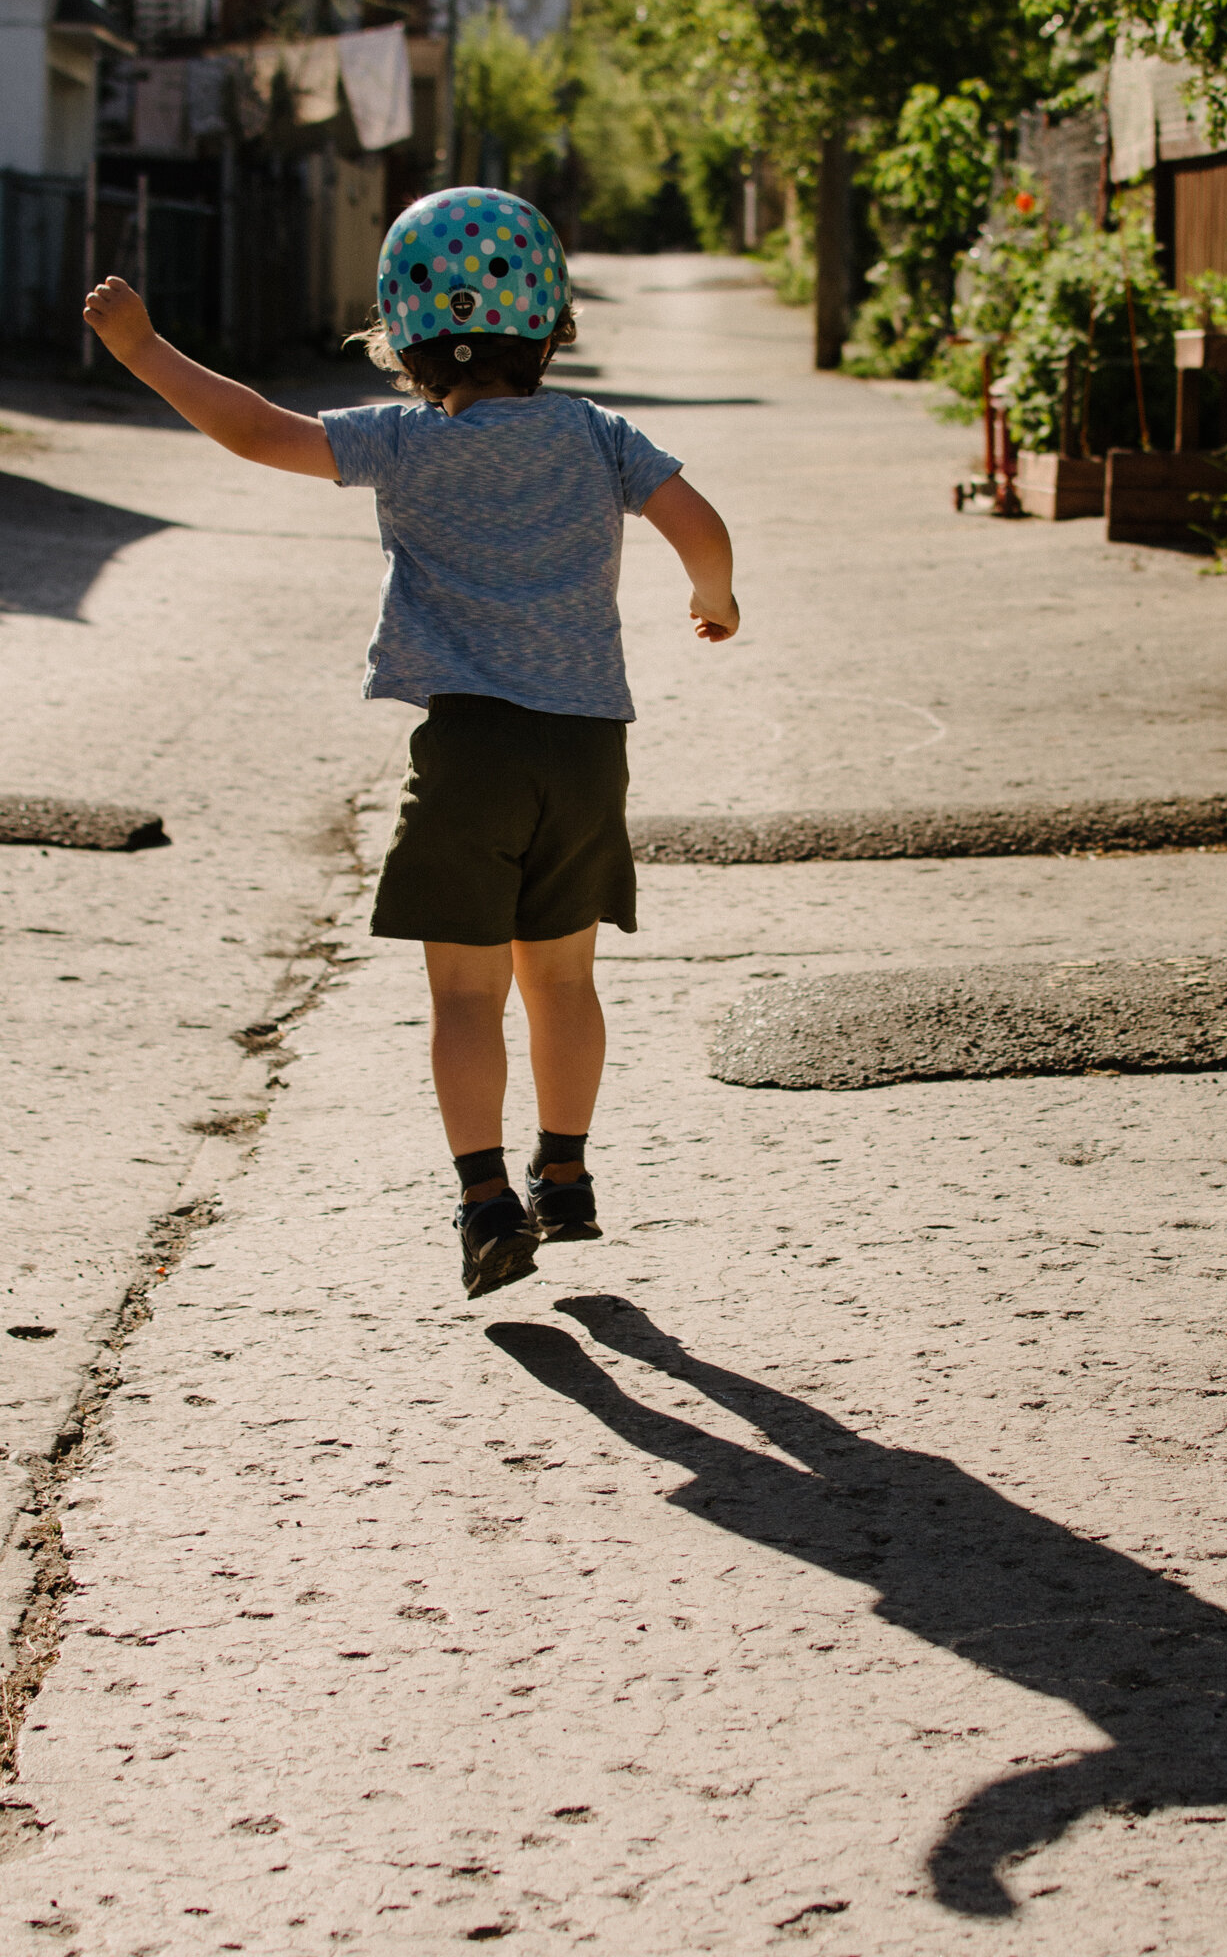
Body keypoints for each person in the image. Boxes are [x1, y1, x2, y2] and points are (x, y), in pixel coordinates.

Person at [82, 185, 738, 1300]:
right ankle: (565, 1172)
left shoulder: (403, 444)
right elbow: (697, 523)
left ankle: (487, 1200)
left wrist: (143, 348)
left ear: (405, 336)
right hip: (585, 755)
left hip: (470, 753)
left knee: (465, 997)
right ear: (550, 325)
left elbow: (253, 428)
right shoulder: (597, 436)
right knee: (564, 981)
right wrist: (713, 596)